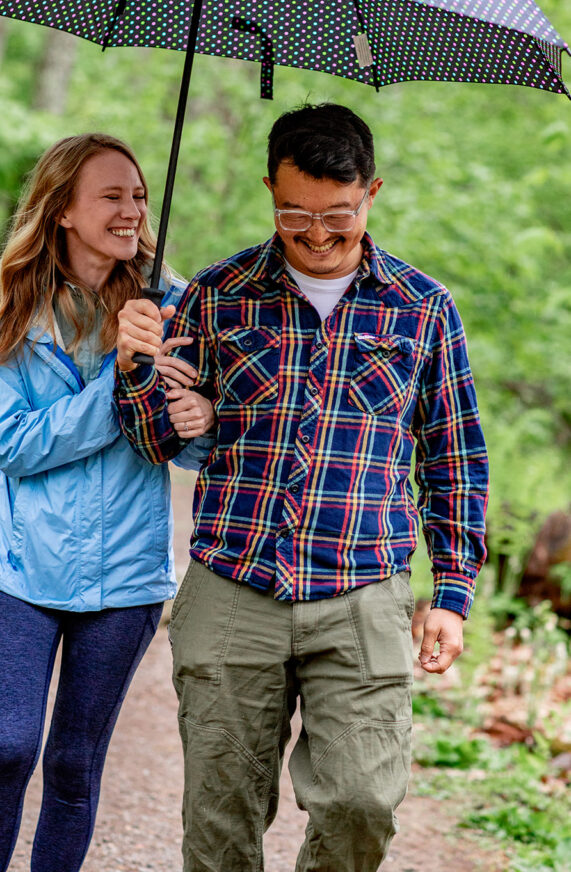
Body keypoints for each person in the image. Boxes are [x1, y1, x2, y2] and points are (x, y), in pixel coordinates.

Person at [114, 104, 489, 872]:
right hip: (234, 584)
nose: (316, 234)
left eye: (338, 218)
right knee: (220, 817)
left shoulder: (423, 310)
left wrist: (450, 593)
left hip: (360, 593)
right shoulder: (218, 294)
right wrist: (135, 369)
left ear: (371, 194)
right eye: (294, 215)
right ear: (267, 192)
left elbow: (452, 459)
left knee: (361, 802)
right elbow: (152, 438)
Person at [0, 133, 214, 872]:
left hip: (126, 580)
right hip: (19, 571)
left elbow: (188, 450)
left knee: (73, 767)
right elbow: (15, 445)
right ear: (63, 209)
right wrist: (123, 379)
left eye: (138, 195)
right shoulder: (13, 302)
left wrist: (196, 417)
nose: (132, 209)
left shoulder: (172, 304)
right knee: (8, 747)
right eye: (111, 195)